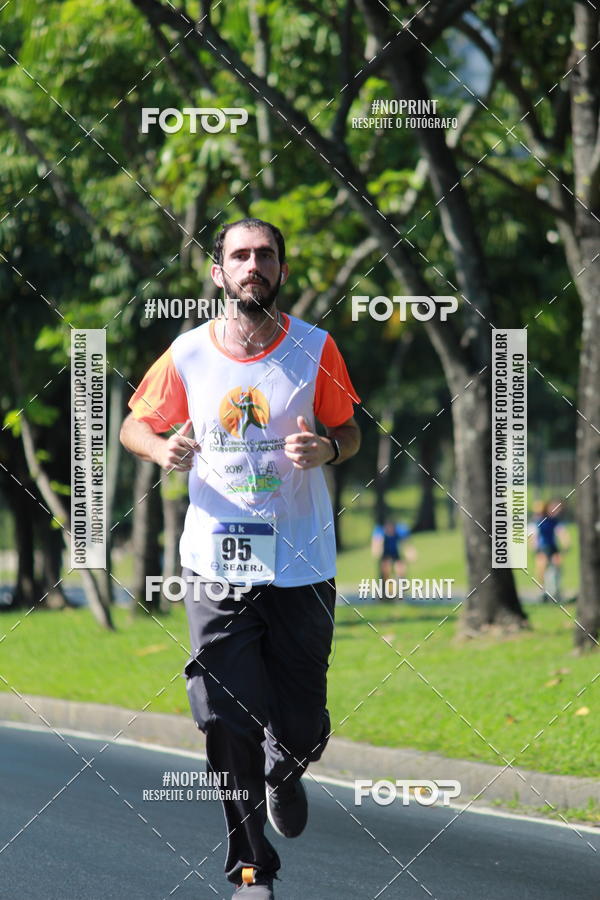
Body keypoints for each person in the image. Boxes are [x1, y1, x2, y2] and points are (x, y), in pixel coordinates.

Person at [120, 218, 361, 899]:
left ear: (281, 269)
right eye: (239, 255)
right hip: (215, 561)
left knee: (303, 723)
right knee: (223, 716)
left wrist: (329, 450)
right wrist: (158, 448)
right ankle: (252, 868)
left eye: (265, 254)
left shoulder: (316, 348)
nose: (253, 264)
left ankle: (287, 767)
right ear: (218, 273)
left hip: (301, 564)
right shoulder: (189, 354)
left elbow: (350, 430)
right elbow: (137, 421)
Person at [530, 499, 569, 602]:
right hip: (542, 548)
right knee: (541, 568)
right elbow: (533, 536)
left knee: (557, 566)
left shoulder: (553, 521)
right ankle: (542, 592)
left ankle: (555, 591)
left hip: (552, 547)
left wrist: (565, 544)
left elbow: (561, 532)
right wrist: (535, 547)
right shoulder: (537, 522)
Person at [371, 517, 415, 584]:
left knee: (400, 567)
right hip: (385, 553)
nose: (390, 531)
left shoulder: (400, 530)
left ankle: (401, 585)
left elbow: (407, 545)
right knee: (385, 567)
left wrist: (410, 554)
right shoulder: (379, 531)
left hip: (395, 553)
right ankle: (384, 585)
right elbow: (376, 546)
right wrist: (378, 552)